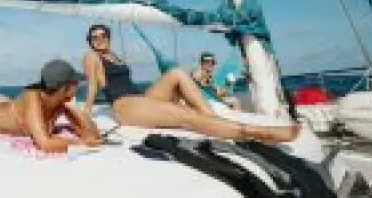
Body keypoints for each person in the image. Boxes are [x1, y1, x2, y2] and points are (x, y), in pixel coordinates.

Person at [81, 24, 299, 143]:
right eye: (94, 37)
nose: (99, 39)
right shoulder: (91, 57)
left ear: (109, 37)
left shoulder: (114, 55)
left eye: (103, 35)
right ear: (90, 42)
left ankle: (214, 121)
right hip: (124, 105)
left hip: (140, 98)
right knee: (185, 116)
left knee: (176, 73)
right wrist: (86, 113)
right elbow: (93, 86)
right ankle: (258, 132)